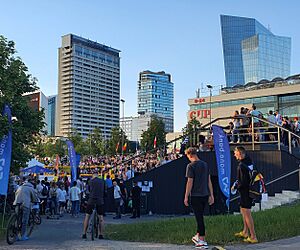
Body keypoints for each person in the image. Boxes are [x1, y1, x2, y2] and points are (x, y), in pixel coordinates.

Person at [184, 147, 214, 248]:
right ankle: (197, 236)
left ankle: (202, 239)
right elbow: (209, 180)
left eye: (188, 156)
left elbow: (190, 182)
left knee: (199, 218)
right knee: (200, 215)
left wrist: (186, 196)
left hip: (196, 195)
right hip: (205, 194)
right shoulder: (205, 164)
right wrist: (211, 195)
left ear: (190, 155)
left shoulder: (190, 166)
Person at [232, 146, 258, 243]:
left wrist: (235, 187)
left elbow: (242, 182)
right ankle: (245, 231)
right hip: (250, 190)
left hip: (245, 191)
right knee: (243, 210)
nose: (234, 155)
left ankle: (253, 236)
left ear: (240, 153)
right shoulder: (249, 161)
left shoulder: (241, 165)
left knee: (247, 213)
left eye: (235, 153)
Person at [82, 172, 107, 239]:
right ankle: (101, 234)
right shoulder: (102, 181)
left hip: (91, 200)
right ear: (98, 176)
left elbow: (88, 191)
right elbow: (105, 191)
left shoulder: (90, 181)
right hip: (100, 200)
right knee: (101, 217)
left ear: (93, 176)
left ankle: (84, 233)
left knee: (87, 216)